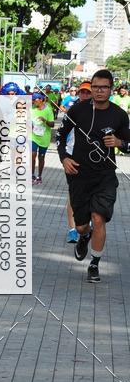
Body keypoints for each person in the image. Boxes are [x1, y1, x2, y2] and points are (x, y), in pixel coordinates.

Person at [57, 69, 130, 282]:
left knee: (99, 218)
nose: (99, 91)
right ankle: (83, 236)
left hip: (105, 176)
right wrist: (64, 158)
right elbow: (60, 137)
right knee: (81, 225)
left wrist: (119, 143)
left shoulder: (119, 114)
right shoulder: (77, 110)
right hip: (79, 174)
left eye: (104, 87)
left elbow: (128, 143)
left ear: (111, 89)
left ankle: (94, 263)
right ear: (91, 88)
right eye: (96, 87)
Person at [64, 82, 92, 242]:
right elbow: (61, 134)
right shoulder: (72, 110)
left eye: (88, 92)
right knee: (72, 193)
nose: (85, 95)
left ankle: (86, 224)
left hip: (91, 159)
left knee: (88, 193)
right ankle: (73, 228)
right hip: (72, 154)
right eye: (82, 92)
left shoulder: (99, 111)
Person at [31, 92, 55, 184]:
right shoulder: (32, 108)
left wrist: (44, 120)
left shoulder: (48, 110)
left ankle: (39, 176)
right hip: (33, 136)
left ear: (40, 99)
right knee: (32, 155)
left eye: (34, 99)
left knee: (41, 157)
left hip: (44, 137)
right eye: (32, 100)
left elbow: (52, 124)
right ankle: (32, 175)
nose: (33, 101)